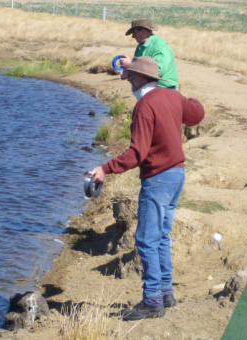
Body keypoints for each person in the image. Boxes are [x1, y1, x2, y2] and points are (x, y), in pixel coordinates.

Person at [89, 57, 204, 320]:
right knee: (161, 236)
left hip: (159, 177)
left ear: (140, 77)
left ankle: (152, 300)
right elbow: (197, 114)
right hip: (177, 174)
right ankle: (165, 292)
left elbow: (137, 153)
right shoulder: (172, 96)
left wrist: (104, 169)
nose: (127, 79)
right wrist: (190, 99)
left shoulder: (144, 105)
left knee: (145, 239)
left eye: (129, 75)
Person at [118, 18, 179, 90]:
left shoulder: (160, 46)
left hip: (165, 90)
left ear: (142, 31)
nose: (133, 36)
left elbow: (157, 71)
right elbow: (140, 71)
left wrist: (131, 65)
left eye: (134, 33)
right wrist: (128, 72)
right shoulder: (140, 47)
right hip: (148, 88)